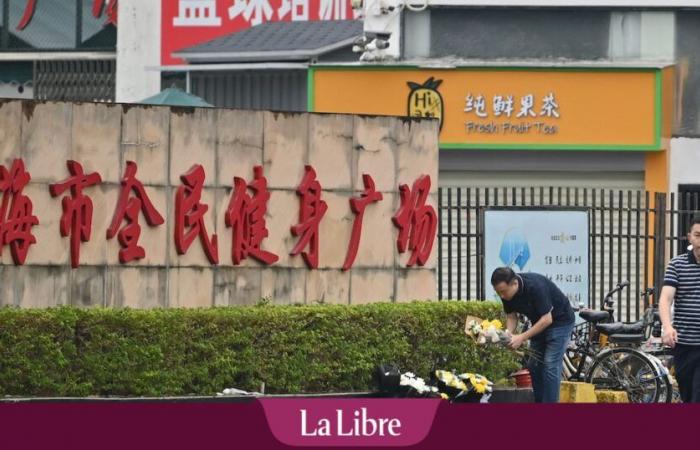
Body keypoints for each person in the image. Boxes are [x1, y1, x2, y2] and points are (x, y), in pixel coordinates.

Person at [491, 267, 575, 403]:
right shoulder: (506, 293)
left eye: (503, 292)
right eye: (498, 292)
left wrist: (521, 337)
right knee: (534, 366)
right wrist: (509, 334)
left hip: (560, 321)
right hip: (539, 322)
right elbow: (511, 316)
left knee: (549, 364)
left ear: (514, 283)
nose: (501, 296)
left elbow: (547, 319)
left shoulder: (536, 286)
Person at [659, 212, 700, 403]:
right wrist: (667, 327)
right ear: (689, 236)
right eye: (698, 235)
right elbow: (665, 299)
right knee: (687, 394)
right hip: (684, 344)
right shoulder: (677, 264)